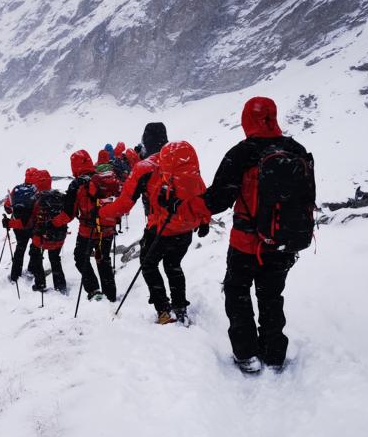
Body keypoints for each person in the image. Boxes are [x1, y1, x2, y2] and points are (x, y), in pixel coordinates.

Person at [183, 96, 313, 373]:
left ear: (247, 120)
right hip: (282, 242)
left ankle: (246, 355)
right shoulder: (296, 149)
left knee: (238, 291)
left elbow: (217, 199)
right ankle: (275, 354)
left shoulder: (242, 153)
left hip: (245, 242)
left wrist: (188, 208)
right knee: (271, 296)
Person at [101, 124, 209, 324]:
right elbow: (199, 190)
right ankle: (180, 308)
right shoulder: (181, 161)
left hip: (160, 229)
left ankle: (163, 310)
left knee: (149, 265)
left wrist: (102, 212)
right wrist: (204, 220)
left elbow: (124, 204)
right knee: (173, 265)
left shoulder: (144, 168)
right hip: (185, 227)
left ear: (147, 141)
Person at [56, 150, 121, 301]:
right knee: (103, 260)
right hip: (107, 229)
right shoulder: (102, 178)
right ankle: (111, 296)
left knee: (80, 257)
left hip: (87, 231)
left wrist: (53, 222)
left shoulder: (76, 185)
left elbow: (68, 215)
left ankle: (93, 290)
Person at [27, 172, 68, 293]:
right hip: (59, 237)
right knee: (55, 259)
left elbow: (32, 219)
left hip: (42, 238)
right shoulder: (59, 197)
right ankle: (61, 287)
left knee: (35, 256)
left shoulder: (37, 200)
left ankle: (40, 284)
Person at [2, 168, 43, 282]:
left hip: (18, 226)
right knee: (35, 248)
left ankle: (15, 276)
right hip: (32, 225)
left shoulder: (16, 189)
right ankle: (32, 270)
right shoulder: (37, 190)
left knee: (20, 249)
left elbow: (7, 208)